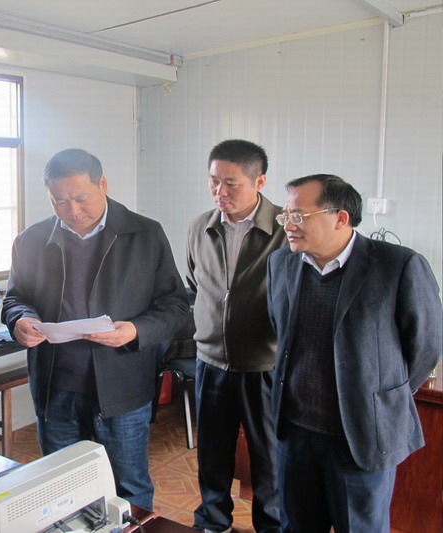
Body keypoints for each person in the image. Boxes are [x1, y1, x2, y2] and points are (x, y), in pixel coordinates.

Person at [2, 148, 189, 510]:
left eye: (80, 197)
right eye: (59, 200)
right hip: (56, 387)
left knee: (129, 489)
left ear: (102, 184)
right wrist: (20, 319)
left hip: (122, 388)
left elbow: (176, 306)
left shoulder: (144, 234)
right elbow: (15, 298)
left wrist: (134, 330)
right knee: (61, 490)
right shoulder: (31, 240)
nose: (72, 210)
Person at [267, 174, 442, 533]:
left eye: (298, 216)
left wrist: (382, 396)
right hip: (296, 433)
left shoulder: (397, 265)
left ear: (340, 218)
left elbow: (426, 346)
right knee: (295, 526)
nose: (288, 226)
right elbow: (280, 331)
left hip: (361, 435)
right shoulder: (281, 263)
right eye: (285, 216)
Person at [186, 140, 284, 533]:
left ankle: (272, 525)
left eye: (231, 183)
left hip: (265, 364)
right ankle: (213, 521)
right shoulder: (200, 226)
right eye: (213, 181)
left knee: (269, 458)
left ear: (259, 181)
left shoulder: (285, 229)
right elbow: (196, 284)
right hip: (211, 361)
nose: (219, 192)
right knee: (212, 454)